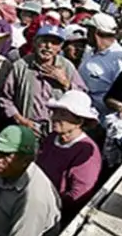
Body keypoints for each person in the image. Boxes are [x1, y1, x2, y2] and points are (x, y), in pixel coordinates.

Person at [0, 25, 86, 138]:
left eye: (54, 43)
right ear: (35, 43)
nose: (48, 46)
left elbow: (82, 97)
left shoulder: (66, 66)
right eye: (44, 41)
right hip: (27, 127)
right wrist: (20, 120)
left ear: (60, 47)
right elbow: (5, 98)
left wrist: (65, 82)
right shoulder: (21, 66)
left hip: (57, 130)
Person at [36, 91, 103, 222]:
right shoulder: (52, 138)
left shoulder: (85, 152)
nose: (55, 118)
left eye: (62, 114)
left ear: (79, 121)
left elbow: (78, 195)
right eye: (55, 113)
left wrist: (46, 204)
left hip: (55, 213)